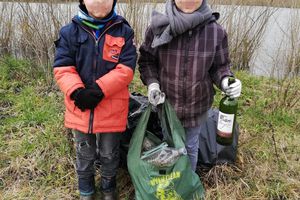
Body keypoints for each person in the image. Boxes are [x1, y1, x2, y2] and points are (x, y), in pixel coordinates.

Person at [138, 0, 242, 171]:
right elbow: (147, 61)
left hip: (197, 106)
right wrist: (153, 85)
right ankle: (170, 183)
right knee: (170, 146)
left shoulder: (216, 32)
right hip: (167, 106)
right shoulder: (158, 27)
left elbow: (220, 67)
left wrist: (226, 81)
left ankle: (187, 184)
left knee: (191, 146)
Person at [53, 0, 137, 199]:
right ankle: (86, 191)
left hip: (112, 110)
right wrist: (76, 92)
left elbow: (126, 69)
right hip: (79, 108)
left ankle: (109, 190)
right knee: (84, 153)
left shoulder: (124, 31)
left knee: (109, 154)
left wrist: (99, 89)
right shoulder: (69, 32)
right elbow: (63, 68)